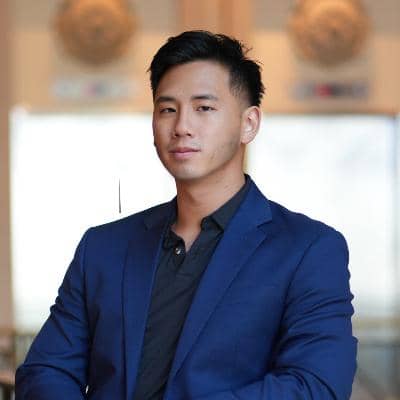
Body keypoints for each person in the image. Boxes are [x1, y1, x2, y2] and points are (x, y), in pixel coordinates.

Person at [15, 30, 357, 400]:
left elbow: (315, 385)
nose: (181, 127)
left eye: (203, 108)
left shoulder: (308, 249)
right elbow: (45, 370)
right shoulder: (102, 247)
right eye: (167, 109)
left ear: (249, 124)